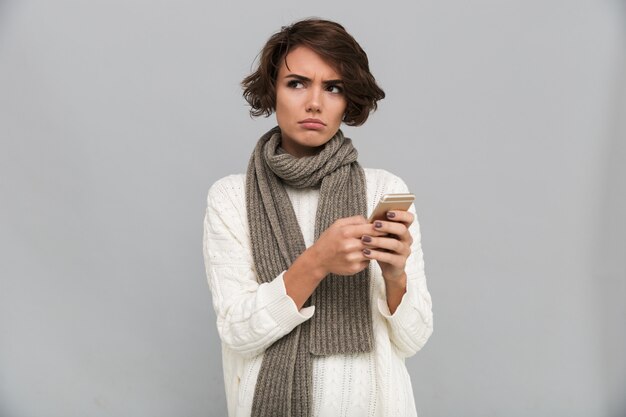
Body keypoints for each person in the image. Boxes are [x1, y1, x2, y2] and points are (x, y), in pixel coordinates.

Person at [203, 18, 433, 417]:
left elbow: (413, 340)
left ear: (348, 101)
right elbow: (238, 332)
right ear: (272, 92)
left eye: (333, 87)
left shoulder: (383, 190)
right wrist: (316, 262)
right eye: (297, 83)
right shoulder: (230, 197)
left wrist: (396, 276)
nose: (315, 102)